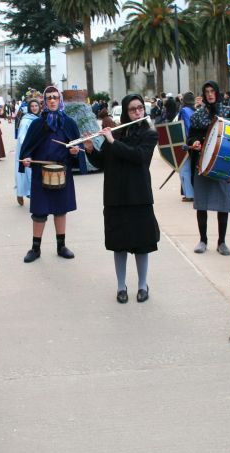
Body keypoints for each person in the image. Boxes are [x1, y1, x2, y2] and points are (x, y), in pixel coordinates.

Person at [84, 94, 159, 303]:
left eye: (140, 108)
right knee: (119, 243)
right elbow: (102, 162)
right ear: (126, 112)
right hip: (116, 196)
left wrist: (111, 142)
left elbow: (139, 157)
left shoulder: (149, 134)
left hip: (139, 196)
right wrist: (89, 150)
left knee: (142, 243)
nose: (138, 112)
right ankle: (121, 286)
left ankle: (143, 285)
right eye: (133, 109)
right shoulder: (116, 132)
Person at [19, 86, 83, 263]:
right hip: (41, 173)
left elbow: (78, 145)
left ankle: (61, 246)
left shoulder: (69, 122)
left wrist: (75, 151)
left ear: (60, 99)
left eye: (55, 97)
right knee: (39, 212)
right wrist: (27, 158)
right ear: (44, 102)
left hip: (63, 171)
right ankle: (35, 248)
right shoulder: (37, 124)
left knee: (60, 210)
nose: (52, 100)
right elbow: (27, 149)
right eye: (49, 98)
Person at [187, 81, 230, 256]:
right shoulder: (197, 115)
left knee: (223, 204)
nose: (210, 94)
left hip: (223, 163)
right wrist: (194, 142)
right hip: (203, 164)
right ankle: (203, 240)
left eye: (212, 91)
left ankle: (222, 242)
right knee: (202, 204)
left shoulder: (227, 112)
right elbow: (190, 137)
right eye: (207, 91)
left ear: (217, 92)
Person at [14, 98, 40, 206]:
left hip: (36, 149)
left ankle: (33, 195)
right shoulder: (26, 120)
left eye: (36, 106)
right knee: (26, 173)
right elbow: (22, 137)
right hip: (27, 150)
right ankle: (21, 193)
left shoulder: (38, 118)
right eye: (32, 106)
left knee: (34, 173)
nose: (34, 108)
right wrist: (29, 150)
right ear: (29, 108)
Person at [178, 91, 196, 202]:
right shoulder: (195, 110)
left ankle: (189, 194)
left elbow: (183, 127)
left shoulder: (184, 111)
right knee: (190, 168)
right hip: (194, 142)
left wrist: (185, 143)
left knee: (185, 169)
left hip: (186, 143)